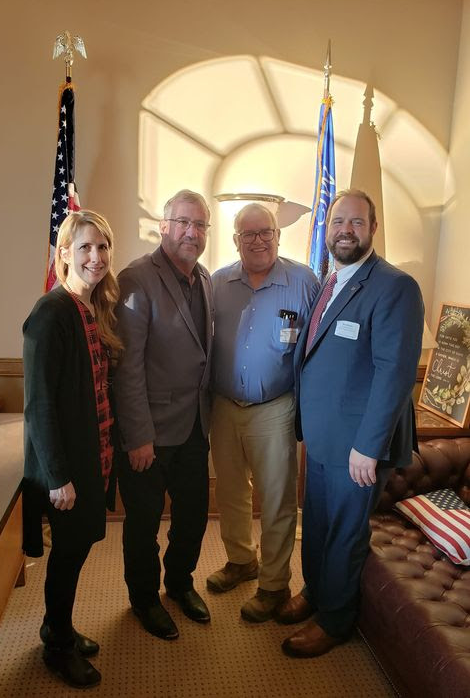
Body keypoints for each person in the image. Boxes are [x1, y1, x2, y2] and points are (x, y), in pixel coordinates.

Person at [278, 189, 424, 658]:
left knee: (344, 532)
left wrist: (369, 445)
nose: (345, 230)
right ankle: (316, 593)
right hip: (321, 438)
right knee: (317, 523)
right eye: (338, 221)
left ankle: (336, 620)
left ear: (373, 229)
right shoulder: (332, 279)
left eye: (356, 223)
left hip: (357, 449)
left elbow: (395, 373)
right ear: (327, 228)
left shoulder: (395, 287)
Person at [22, 210, 122, 688]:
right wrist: (58, 476)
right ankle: (56, 644)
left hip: (93, 456)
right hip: (67, 469)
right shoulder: (51, 313)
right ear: (63, 255)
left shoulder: (91, 310)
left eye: (102, 247)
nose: (95, 257)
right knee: (66, 554)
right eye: (84, 247)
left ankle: (56, 625)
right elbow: (39, 405)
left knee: (77, 549)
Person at [207, 202, 320, 622]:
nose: (257, 240)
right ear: (235, 240)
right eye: (247, 234)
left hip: (275, 407)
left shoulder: (304, 281)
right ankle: (241, 560)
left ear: (278, 235)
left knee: (276, 500)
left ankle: (274, 584)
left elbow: (319, 345)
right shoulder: (216, 283)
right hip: (223, 406)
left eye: (265, 232)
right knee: (231, 492)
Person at [114, 189, 214, 640]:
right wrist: (137, 436)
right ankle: (144, 599)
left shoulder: (206, 278)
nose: (191, 232)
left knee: (192, 516)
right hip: (149, 432)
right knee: (144, 524)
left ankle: (179, 583)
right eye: (183, 223)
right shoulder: (136, 278)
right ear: (164, 226)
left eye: (200, 225)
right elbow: (128, 364)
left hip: (194, 425)